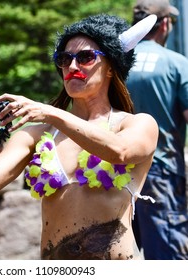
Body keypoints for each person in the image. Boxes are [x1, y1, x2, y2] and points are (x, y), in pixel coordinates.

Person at [0, 14, 159, 260]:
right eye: (64, 59)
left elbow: (120, 151)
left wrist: (49, 112)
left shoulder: (137, 124)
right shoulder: (38, 134)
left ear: (110, 69)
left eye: (85, 57)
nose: (72, 67)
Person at [126, 0, 188, 260]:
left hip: (112, 173)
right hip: (161, 170)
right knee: (167, 256)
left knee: (117, 252)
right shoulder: (175, 63)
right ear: (163, 24)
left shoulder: (115, 64)